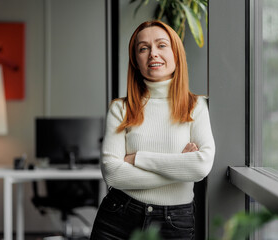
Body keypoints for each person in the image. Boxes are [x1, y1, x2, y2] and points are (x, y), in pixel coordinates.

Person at [90, 20, 215, 240]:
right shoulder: (121, 108)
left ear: (176, 53)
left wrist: (137, 158)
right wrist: (179, 169)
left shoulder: (196, 106)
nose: (153, 54)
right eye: (143, 48)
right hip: (119, 217)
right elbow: (112, 172)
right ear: (135, 61)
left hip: (174, 223)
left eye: (161, 45)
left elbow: (201, 166)